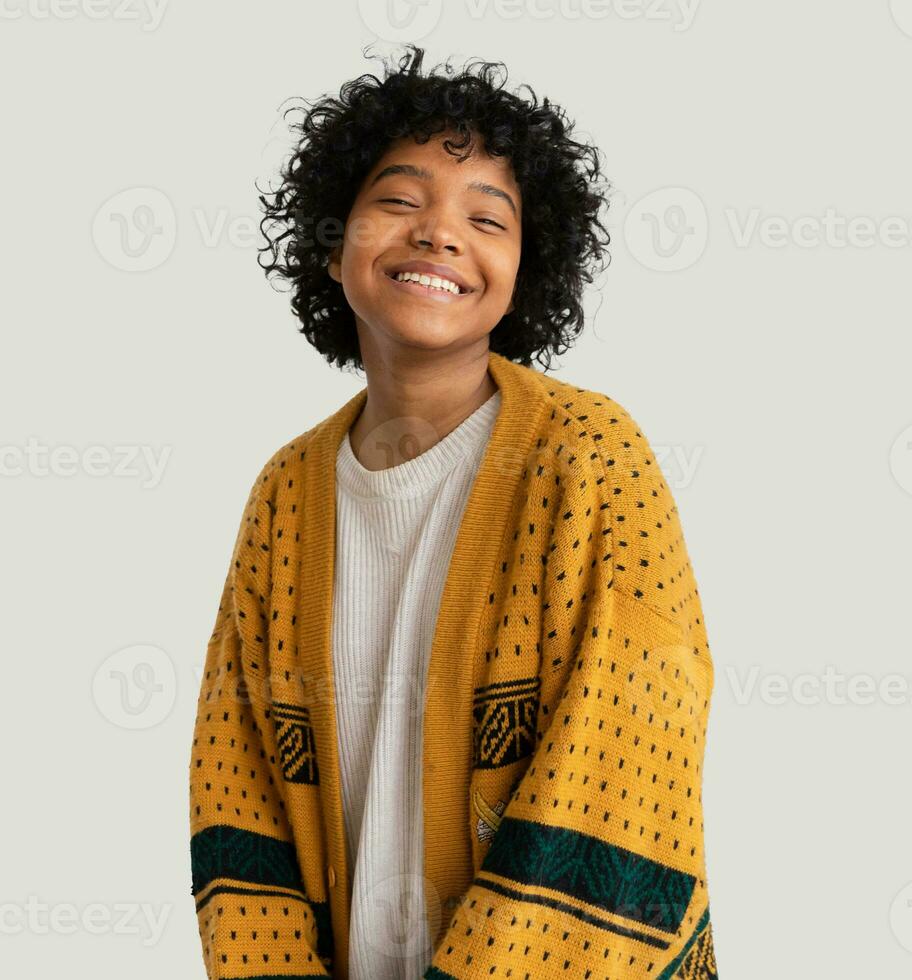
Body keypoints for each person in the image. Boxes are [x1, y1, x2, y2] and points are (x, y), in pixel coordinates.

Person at [187, 45, 718, 980]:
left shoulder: (589, 455)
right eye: (399, 201)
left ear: (523, 269)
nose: (439, 234)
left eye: (487, 216)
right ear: (331, 239)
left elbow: (627, 740)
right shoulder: (284, 492)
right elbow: (237, 769)